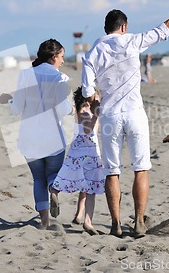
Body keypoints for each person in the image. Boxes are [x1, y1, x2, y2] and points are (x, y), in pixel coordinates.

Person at [81, 0, 169, 237]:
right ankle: (138, 222)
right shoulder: (132, 41)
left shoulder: (93, 51)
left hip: (110, 116)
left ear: (106, 28)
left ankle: (115, 224)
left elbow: (86, 92)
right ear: (123, 27)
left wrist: (97, 96)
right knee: (140, 168)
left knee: (112, 171)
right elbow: (165, 29)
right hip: (134, 114)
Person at [0, 38, 74, 229]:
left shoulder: (25, 75)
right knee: (53, 174)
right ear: (54, 56)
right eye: (62, 57)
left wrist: (8, 100)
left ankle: (45, 222)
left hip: (29, 139)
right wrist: (74, 110)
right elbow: (63, 110)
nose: (63, 61)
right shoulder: (60, 78)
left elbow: (16, 109)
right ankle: (53, 190)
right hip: (53, 138)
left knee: (38, 178)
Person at [52, 87, 105, 236]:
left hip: (77, 149)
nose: (98, 100)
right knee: (91, 189)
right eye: (97, 98)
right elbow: (88, 131)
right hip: (88, 151)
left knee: (74, 178)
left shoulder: (79, 110)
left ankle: (57, 192)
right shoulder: (85, 111)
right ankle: (87, 222)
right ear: (90, 99)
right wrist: (96, 114)